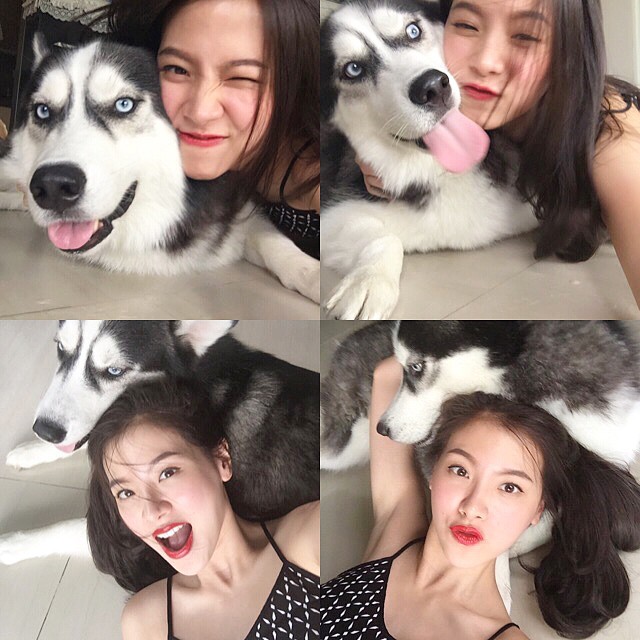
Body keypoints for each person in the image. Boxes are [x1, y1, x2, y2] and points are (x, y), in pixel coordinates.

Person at [321, 358, 640, 639]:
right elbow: (390, 373)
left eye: (510, 487)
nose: (472, 507)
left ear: (537, 509)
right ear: (433, 473)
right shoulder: (397, 526)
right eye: (460, 470)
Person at [358, 0, 640, 303]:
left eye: (526, 36)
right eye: (466, 25)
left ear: (569, 51)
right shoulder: (447, 103)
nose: (485, 62)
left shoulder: (612, 139)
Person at [86, 379, 320, 640]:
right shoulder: (148, 622)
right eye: (126, 493)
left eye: (167, 473)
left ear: (222, 459)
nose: (150, 511)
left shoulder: (307, 540)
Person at [97, 0, 319, 259]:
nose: (200, 112)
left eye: (242, 78)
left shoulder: (322, 176)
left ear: (294, 87)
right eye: (177, 69)